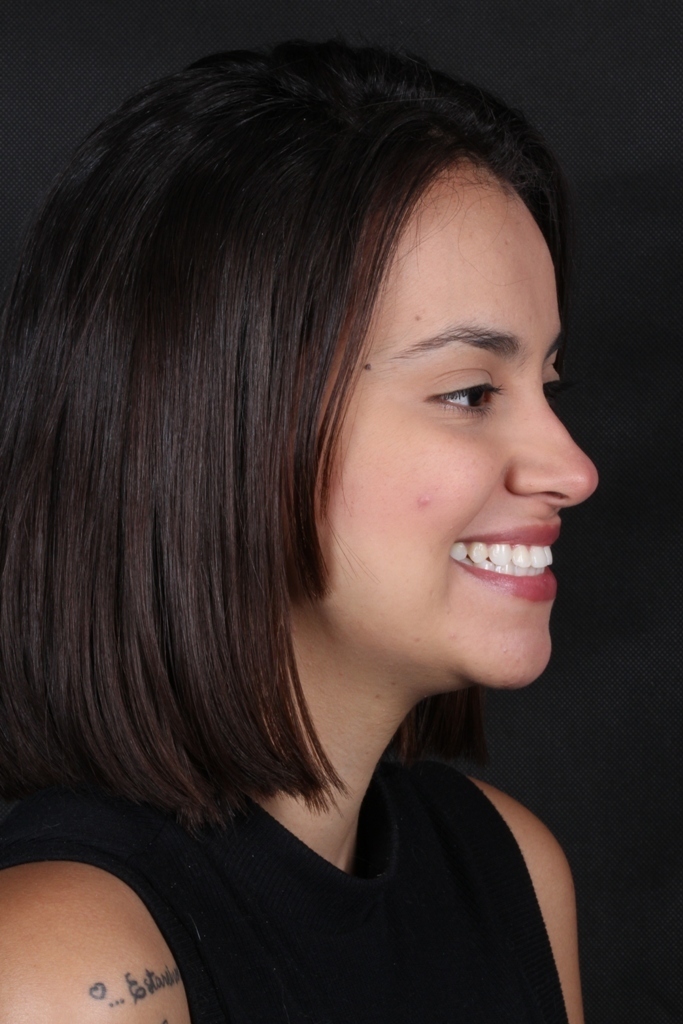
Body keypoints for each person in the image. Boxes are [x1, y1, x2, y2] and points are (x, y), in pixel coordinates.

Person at [0, 39, 598, 1024]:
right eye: (469, 392)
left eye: (548, 385)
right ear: (220, 424)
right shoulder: (67, 969)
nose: (571, 470)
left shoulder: (509, 871)